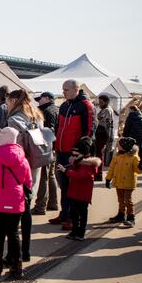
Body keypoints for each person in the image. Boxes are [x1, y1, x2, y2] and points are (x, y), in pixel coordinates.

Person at [0, 127, 32, 279]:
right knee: (14, 234)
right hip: (16, 202)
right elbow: (28, 182)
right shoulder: (23, 160)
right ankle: (18, 267)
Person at [6, 89, 45, 262]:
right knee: (27, 209)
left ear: (14, 100)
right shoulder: (37, 116)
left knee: (14, 215)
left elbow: (13, 149)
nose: (7, 104)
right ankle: (26, 251)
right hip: (34, 166)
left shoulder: (14, 120)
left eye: (8, 101)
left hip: (18, 169)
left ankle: (15, 253)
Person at [51, 80, 95, 231]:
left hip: (73, 153)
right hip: (61, 150)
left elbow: (88, 131)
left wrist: (80, 152)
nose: (63, 92)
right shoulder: (64, 105)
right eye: (63, 90)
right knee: (63, 185)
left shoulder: (85, 105)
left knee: (71, 186)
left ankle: (70, 217)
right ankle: (64, 213)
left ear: (76, 89)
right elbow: (59, 127)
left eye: (66, 90)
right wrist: (55, 145)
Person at [62, 137, 101, 240]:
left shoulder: (87, 164)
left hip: (82, 195)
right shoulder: (78, 162)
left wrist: (66, 171)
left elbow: (80, 176)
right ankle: (74, 231)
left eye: (75, 155)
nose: (73, 157)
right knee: (74, 214)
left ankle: (80, 232)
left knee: (81, 215)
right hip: (74, 193)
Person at [105, 137, 142, 227]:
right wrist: (108, 179)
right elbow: (111, 168)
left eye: (119, 145)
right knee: (120, 200)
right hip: (118, 182)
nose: (117, 147)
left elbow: (138, 170)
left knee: (128, 201)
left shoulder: (134, 157)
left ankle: (131, 217)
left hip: (128, 184)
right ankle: (121, 215)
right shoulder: (117, 156)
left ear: (125, 146)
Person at [33, 92, 59, 215]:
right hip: (54, 147)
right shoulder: (56, 109)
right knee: (50, 175)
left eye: (40, 99)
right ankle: (53, 203)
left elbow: (50, 129)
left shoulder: (47, 111)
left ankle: (40, 206)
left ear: (47, 98)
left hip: (47, 146)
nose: (38, 102)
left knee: (44, 176)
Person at [95, 94, 115, 179]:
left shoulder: (106, 110)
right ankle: (98, 173)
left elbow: (102, 123)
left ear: (106, 102)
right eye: (99, 102)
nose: (100, 104)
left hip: (102, 135)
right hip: (102, 135)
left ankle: (99, 174)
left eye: (101, 102)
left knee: (99, 154)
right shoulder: (106, 109)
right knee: (99, 154)